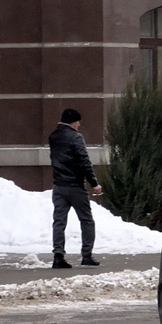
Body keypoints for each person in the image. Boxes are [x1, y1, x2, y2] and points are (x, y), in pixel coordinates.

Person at [49, 107, 103, 268]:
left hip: (58, 185)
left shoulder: (53, 136)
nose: (79, 125)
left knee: (59, 221)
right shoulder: (76, 137)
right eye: (78, 121)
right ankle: (87, 255)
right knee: (86, 220)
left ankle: (58, 256)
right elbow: (84, 161)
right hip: (75, 186)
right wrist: (94, 183)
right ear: (72, 122)